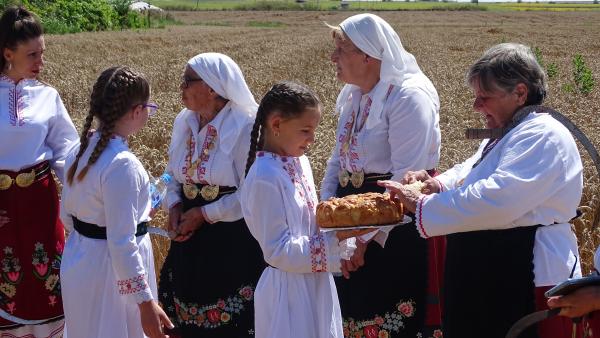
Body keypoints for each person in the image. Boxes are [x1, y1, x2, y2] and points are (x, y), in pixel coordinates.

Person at [380, 43, 584, 338]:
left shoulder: (543, 135)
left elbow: (499, 197)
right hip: (494, 272)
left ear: (520, 93)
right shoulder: (511, 132)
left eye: (484, 97)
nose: (476, 106)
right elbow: (473, 169)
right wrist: (437, 183)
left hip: (525, 274)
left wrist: (423, 204)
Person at [321, 13, 444, 337]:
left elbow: (406, 180)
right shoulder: (353, 96)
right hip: (352, 221)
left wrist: (359, 242)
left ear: (367, 54)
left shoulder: (408, 97)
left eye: (341, 49)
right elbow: (337, 162)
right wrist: (326, 219)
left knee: (387, 317)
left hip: (392, 227)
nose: (333, 57)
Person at [240, 81, 363, 338]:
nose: (312, 139)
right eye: (306, 130)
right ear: (276, 125)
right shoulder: (264, 176)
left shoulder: (299, 162)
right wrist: (335, 240)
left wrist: (344, 230)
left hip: (315, 282)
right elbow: (276, 250)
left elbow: (311, 221)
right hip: (287, 292)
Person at [59, 66, 172, 338]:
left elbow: (68, 215)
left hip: (81, 260)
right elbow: (121, 242)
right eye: (149, 107)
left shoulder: (79, 148)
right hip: (113, 276)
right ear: (136, 111)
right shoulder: (123, 164)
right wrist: (145, 303)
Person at [158, 53, 264, 338]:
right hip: (188, 240)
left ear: (213, 88)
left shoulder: (246, 126)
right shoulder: (184, 121)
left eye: (187, 81)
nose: (180, 87)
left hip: (230, 239)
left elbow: (251, 192)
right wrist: (174, 204)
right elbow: (170, 175)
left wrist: (204, 214)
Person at [0, 6, 78, 338]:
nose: (40, 62)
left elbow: (67, 151)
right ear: (8, 54)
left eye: (42, 52)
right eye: (32, 54)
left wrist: (95, 182)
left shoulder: (48, 96)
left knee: (47, 275)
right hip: (2, 206)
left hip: (41, 203)